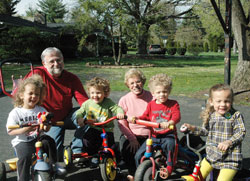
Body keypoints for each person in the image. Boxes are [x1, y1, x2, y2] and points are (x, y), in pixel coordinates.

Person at [23, 47, 88, 161]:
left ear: (63, 60)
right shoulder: (37, 74)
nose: (56, 64)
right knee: (54, 156)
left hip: (67, 117)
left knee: (88, 114)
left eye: (59, 60)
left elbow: (85, 102)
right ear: (44, 63)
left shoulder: (72, 78)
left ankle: (76, 150)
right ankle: (63, 151)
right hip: (49, 122)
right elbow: (24, 96)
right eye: (52, 61)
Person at [6, 74, 66, 181]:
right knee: (24, 157)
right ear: (21, 95)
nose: (34, 96)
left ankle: (54, 164)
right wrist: (24, 129)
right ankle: (23, 178)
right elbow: (10, 131)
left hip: (38, 138)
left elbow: (46, 129)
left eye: (37, 94)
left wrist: (47, 124)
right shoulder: (16, 113)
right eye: (30, 93)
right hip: (23, 141)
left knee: (49, 141)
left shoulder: (41, 109)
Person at [182, 84, 246, 181]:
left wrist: (229, 142)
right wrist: (192, 128)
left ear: (231, 101)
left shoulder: (236, 116)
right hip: (213, 155)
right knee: (197, 176)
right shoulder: (212, 115)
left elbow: (241, 132)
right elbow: (205, 131)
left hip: (230, 159)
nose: (223, 104)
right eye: (219, 101)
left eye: (227, 101)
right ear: (211, 101)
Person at [129, 73, 181, 179]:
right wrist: (136, 119)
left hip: (168, 135)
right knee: (139, 155)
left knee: (171, 146)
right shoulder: (151, 104)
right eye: (159, 92)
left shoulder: (173, 104)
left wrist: (170, 123)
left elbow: (177, 116)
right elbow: (145, 116)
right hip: (154, 136)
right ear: (153, 93)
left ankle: (170, 166)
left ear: (169, 91)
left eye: (165, 92)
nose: (162, 94)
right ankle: (139, 173)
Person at [76, 77, 124, 165]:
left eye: (98, 93)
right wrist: (80, 118)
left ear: (105, 93)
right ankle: (92, 156)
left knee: (111, 147)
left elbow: (117, 108)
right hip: (93, 128)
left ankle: (117, 160)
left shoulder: (108, 102)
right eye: (92, 93)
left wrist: (120, 113)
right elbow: (80, 111)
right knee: (87, 141)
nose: (95, 95)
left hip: (107, 129)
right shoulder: (88, 103)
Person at [118, 68, 152, 176]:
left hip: (149, 134)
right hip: (132, 134)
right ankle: (131, 173)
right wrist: (132, 138)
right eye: (132, 83)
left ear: (143, 82)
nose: (135, 85)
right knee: (127, 148)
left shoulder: (152, 97)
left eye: (138, 81)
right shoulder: (124, 100)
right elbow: (121, 123)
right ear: (127, 85)